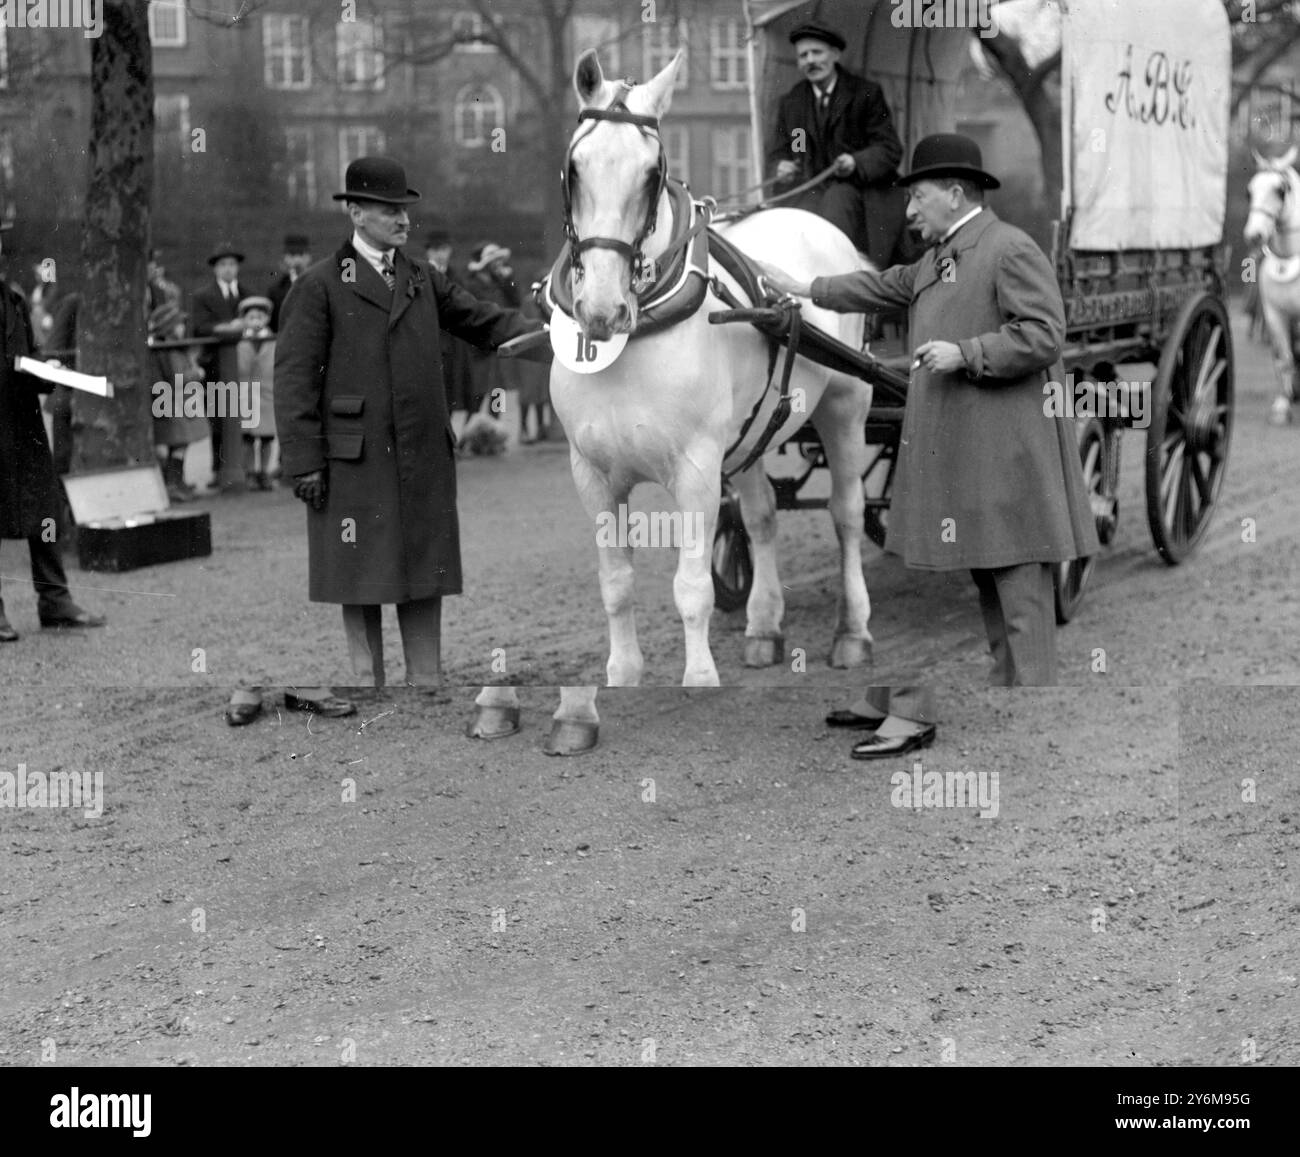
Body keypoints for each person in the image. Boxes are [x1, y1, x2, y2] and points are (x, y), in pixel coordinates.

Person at [758, 133, 1099, 695]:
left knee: (1018, 577)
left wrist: (966, 352)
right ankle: (1009, 688)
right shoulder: (940, 257)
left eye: (918, 197)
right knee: (989, 567)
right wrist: (806, 286)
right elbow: (884, 284)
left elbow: (1044, 335)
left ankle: (1034, 696)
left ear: (957, 194)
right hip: (975, 445)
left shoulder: (1009, 249)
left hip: (1008, 447)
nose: (909, 211)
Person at [274, 156, 538, 692]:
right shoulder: (319, 285)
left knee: (423, 564)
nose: (403, 220)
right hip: (356, 456)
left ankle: (426, 679)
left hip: (421, 451)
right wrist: (304, 462)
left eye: (405, 209)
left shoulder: (422, 277)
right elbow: (293, 381)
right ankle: (364, 681)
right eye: (389, 209)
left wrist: (560, 340)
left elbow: (484, 320)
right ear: (354, 212)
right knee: (360, 571)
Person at [0, 218, 105, 642]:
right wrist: (21, 368)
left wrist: (46, 370)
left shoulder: (13, 299)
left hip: (21, 422)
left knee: (45, 508)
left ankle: (55, 601)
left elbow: (27, 352)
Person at [765, 20, 906, 268]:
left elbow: (889, 148)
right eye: (803, 56)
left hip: (860, 190)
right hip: (811, 189)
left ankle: (837, 284)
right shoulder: (793, 102)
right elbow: (789, 150)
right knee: (791, 222)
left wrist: (856, 162)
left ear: (835, 54)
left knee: (835, 206)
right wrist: (783, 167)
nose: (810, 61)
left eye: (817, 52)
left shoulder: (865, 94)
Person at [191, 241, 247, 491]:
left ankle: (244, 468)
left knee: (246, 416)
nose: (228, 269)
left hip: (243, 365)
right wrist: (225, 329)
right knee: (217, 419)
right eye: (223, 264)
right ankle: (217, 469)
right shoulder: (203, 296)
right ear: (215, 269)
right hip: (214, 366)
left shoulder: (247, 294)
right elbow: (199, 327)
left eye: (232, 264)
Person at [147, 300, 207, 504]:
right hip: (174, 404)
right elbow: (177, 378)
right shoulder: (170, 351)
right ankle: (173, 484)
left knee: (180, 445)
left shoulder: (169, 348)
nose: (183, 328)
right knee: (178, 444)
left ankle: (177, 481)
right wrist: (196, 373)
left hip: (176, 403)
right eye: (179, 324)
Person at [424, 229, 476, 425]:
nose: (439, 254)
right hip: (427, 342)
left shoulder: (456, 276)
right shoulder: (418, 274)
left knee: (452, 394)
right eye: (435, 249)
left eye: (444, 249)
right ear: (428, 252)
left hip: (452, 344)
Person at [234, 296, 277, 491]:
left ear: (267, 319)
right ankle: (250, 472)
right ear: (244, 320)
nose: (256, 321)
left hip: (267, 393)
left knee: (267, 436)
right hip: (247, 395)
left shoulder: (273, 340)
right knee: (248, 437)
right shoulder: (241, 341)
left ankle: (265, 472)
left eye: (260, 316)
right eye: (251, 317)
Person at [266, 233, 311, 333]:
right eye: (292, 255)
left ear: (308, 257)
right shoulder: (275, 291)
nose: (297, 260)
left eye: (301, 254)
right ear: (285, 258)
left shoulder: (319, 285)